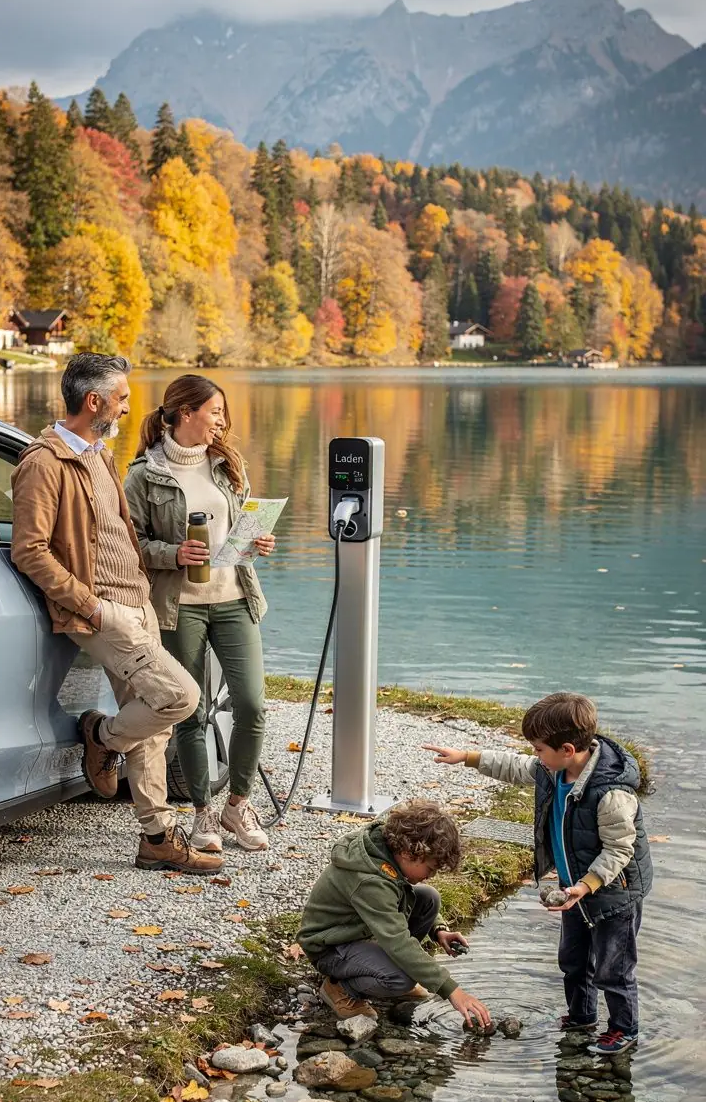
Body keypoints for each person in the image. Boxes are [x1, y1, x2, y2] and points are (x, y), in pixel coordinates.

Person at [11, 351, 221, 874]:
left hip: (138, 602)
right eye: (122, 397)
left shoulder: (101, 455)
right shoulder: (43, 463)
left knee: (155, 725)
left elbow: (117, 534)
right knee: (181, 696)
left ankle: (157, 838)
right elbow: (30, 550)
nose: (130, 407)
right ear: (94, 400)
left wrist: (141, 595)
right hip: (102, 613)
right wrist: (95, 608)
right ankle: (100, 736)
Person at [427, 691, 652, 1055]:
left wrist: (587, 884)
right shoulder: (553, 768)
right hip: (573, 889)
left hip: (613, 892)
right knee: (573, 959)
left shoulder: (611, 794)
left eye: (538, 749)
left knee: (614, 966)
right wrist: (467, 757)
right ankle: (581, 1016)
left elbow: (619, 850)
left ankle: (623, 1029)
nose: (534, 755)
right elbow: (514, 766)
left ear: (566, 749)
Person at [124, 374, 274, 854]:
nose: (222, 422)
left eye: (222, 414)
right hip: (178, 608)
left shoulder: (228, 464)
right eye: (215, 412)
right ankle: (203, 812)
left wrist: (258, 542)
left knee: (252, 704)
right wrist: (174, 555)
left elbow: (241, 531)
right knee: (191, 710)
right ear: (185, 412)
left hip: (234, 599)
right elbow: (132, 546)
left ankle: (238, 805)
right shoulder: (143, 474)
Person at [298, 798, 492, 1026]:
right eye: (430, 868)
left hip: (357, 931)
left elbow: (401, 898)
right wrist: (452, 990)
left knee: (428, 898)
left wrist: (438, 929)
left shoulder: (386, 852)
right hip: (330, 948)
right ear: (410, 853)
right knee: (402, 979)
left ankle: (382, 967)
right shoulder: (371, 881)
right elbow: (399, 942)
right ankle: (340, 989)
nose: (431, 875)